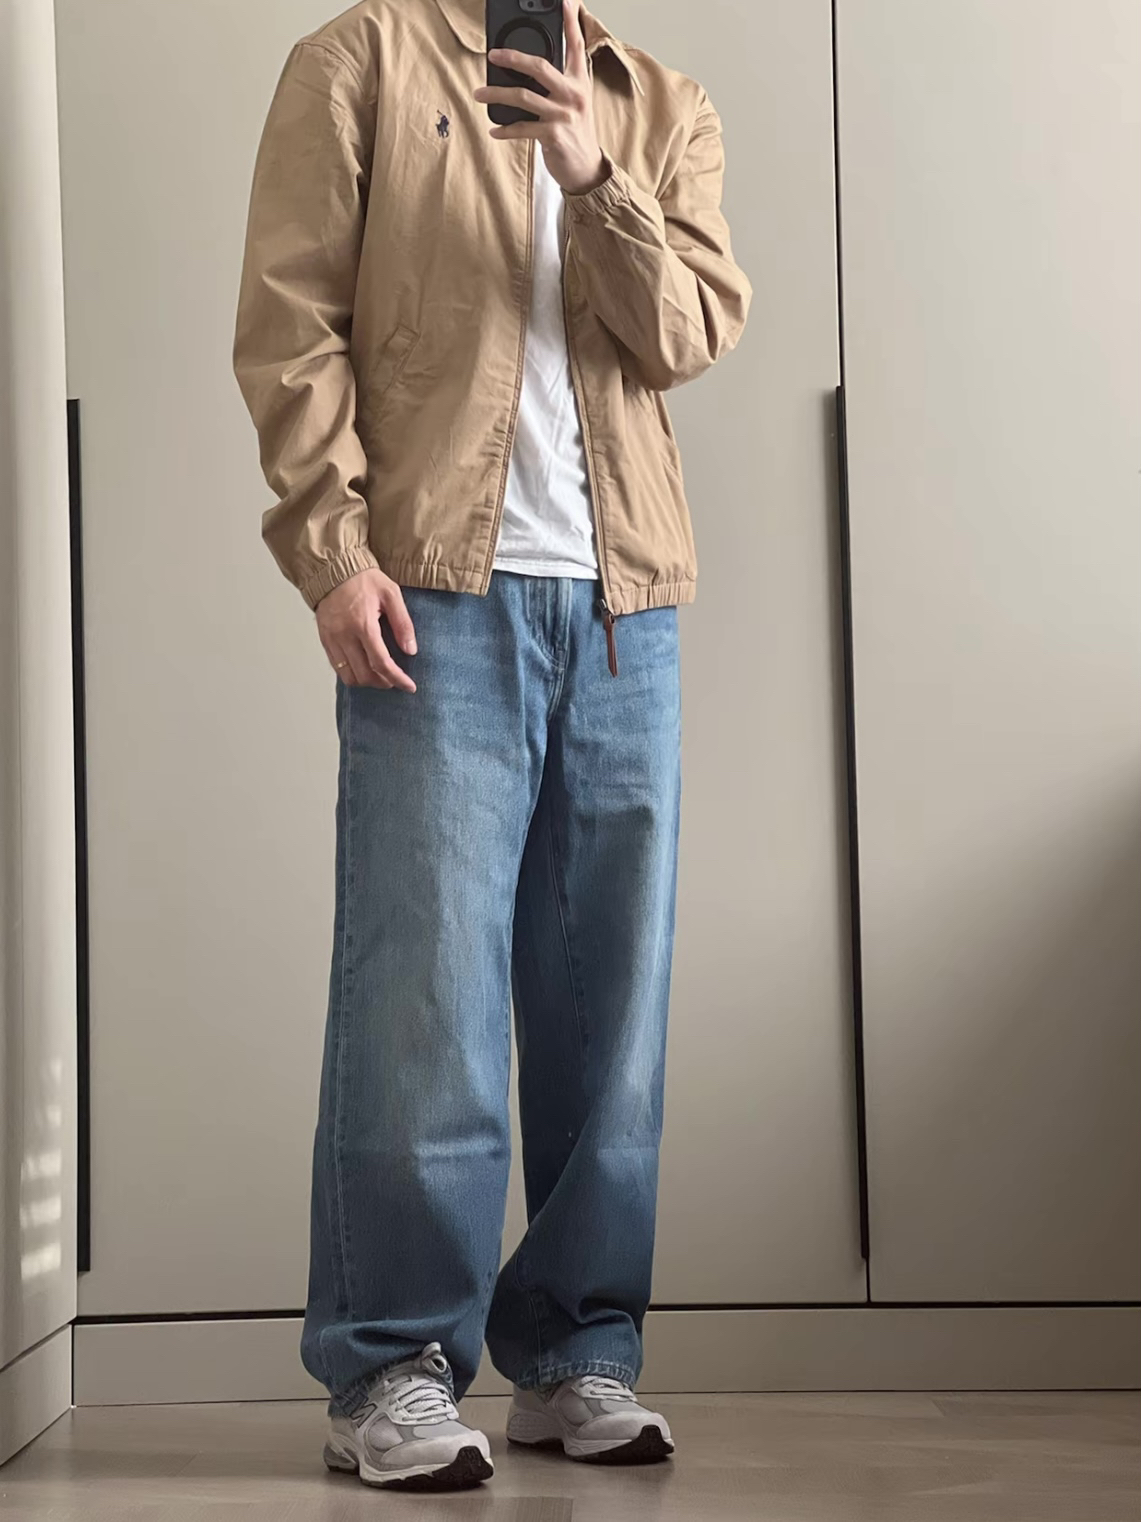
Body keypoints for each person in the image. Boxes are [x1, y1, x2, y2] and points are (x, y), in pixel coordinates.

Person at [233, 0, 749, 1492]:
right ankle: (392, 1364)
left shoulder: (660, 103)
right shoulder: (357, 64)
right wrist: (331, 553)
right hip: (433, 592)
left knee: (609, 1013)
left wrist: (595, 176)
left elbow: (690, 330)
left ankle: (581, 1348)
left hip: (622, 608)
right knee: (425, 1001)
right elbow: (289, 326)